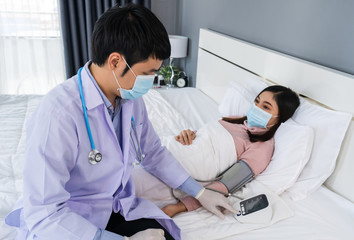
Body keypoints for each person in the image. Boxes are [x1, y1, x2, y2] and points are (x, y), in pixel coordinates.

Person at [5, 4, 237, 240]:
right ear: (115, 61)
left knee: (165, 236)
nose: (151, 81)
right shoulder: (57, 114)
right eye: (147, 73)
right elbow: (45, 214)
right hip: (66, 224)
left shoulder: (129, 98)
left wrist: (199, 193)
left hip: (110, 207)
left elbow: (153, 153)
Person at [160, 85, 300, 218]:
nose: (257, 108)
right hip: (173, 147)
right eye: (256, 102)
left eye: (265, 107)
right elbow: (203, 137)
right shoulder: (234, 120)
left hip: (183, 167)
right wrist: (188, 134)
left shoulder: (262, 147)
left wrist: (178, 207)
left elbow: (227, 184)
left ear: (280, 117)